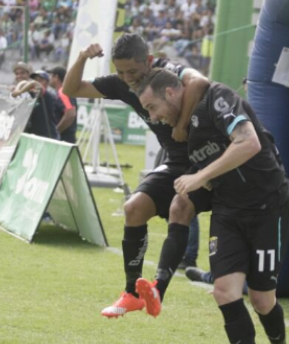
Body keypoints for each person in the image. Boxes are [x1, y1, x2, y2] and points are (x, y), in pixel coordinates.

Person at [137, 68, 289, 344]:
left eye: (152, 107)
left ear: (172, 92)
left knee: (262, 300)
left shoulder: (217, 99)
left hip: (269, 205)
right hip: (228, 212)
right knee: (225, 292)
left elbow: (248, 142)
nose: (153, 116)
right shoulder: (179, 133)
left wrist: (200, 177)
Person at [62, 33, 211, 319]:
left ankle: (159, 289)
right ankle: (132, 294)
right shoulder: (120, 84)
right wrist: (82, 57)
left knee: (180, 206)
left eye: (133, 71)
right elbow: (71, 89)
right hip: (176, 160)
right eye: (121, 71)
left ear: (150, 61)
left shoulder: (169, 71)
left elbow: (200, 82)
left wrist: (181, 124)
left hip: (209, 159)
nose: (127, 77)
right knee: (134, 207)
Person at [11, 65, 63, 140]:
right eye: (35, 79)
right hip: (32, 136)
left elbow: (35, 85)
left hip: (48, 137)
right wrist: (17, 89)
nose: (37, 81)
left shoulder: (49, 96)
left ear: (47, 82)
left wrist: (18, 91)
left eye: (41, 79)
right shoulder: (30, 94)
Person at [49, 66, 77, 144]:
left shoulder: (63, 92)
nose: (49, 79)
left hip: (64, 139)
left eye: (50, 76)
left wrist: (56, 130)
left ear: (56, 77)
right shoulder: (64, 91)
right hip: (65, 138)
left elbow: (71, 113)